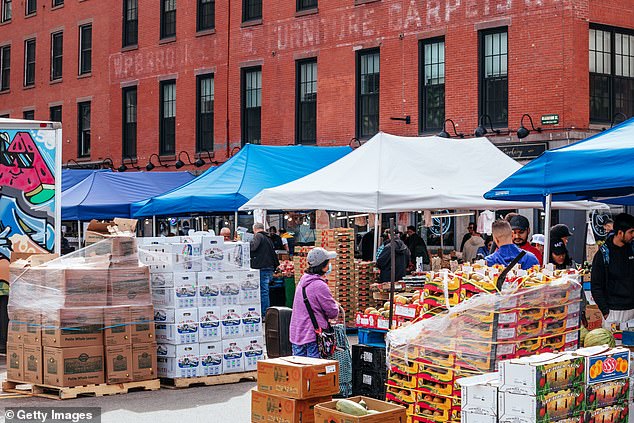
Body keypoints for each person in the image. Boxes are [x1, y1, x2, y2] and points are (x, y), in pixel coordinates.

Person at [289, 247, 339, 358]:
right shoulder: (319, 285)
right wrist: (336, 305)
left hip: (297, 333)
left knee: (300, 371)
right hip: (313, 335)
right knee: (314, 372)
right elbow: (332, 312)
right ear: (324, 266)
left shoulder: (303, 280)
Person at [591, 213, 634, 327]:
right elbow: (596, 286)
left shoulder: (632, 249)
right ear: (620, 233)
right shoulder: (603, 255)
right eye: (631, 232)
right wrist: (605, 312)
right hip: (614, 312)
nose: (633, 235)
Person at [250, 223, 279, 315]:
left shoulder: (258, 236)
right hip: (269, 267)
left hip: (262, 267)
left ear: (255, 229)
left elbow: (253, 247)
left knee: (263, 291)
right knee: (265, 290)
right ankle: (265, 312)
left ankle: (264, 313)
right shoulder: (268, 237)